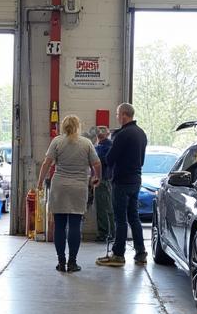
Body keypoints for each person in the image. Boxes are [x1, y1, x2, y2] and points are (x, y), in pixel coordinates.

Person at [37, 114, 101, 272]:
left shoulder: (57, 141)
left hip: (59, 186)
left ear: (63, 126)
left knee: (59, 225)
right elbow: (97, 163)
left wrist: (39, 182)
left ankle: (61, 262)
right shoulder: (86, 143)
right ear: (78, 126)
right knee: (75, 225)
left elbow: (47, 162)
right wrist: (97, 177)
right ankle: (72, 262)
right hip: (78, 187)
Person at [96, 103, 148, 268]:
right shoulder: (141, 133)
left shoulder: (122, 134)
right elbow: (142, 160)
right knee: (134, 217)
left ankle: (118, 254)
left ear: (125, 115)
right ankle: (140, 253)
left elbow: (110, 159)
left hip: (121, 182)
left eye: (118, 114)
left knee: (120, 219)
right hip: (136, 180)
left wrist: (100, 154)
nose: (117, 117)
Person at [93, 126, 115, 243]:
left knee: (104, 208)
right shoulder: (104, 146)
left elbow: (100, 162)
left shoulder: (104, 147)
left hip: (103, 180)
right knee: (106, 207)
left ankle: (106, 233)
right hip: (105, 180)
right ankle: (109, 232)